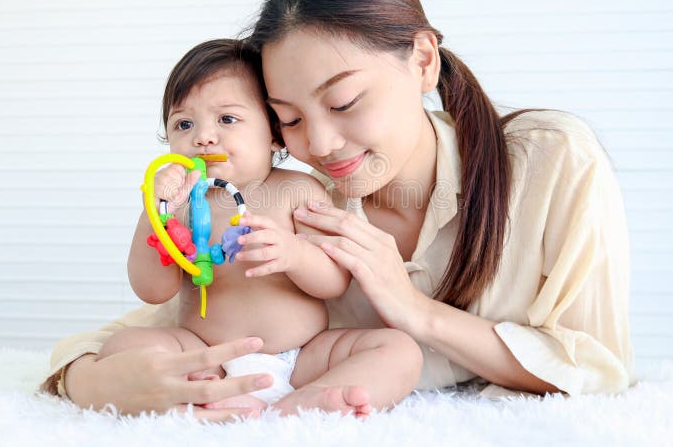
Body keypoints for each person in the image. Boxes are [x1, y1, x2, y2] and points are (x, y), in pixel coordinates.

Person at [41, 0, 634, 418]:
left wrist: (414, 311)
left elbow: (597, 367)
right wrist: (89, 379)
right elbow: (158, 322)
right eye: (291, 120)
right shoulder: (291, 195)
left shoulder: (550, 162)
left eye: (345, 101)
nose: (320, 146)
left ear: (423, 60)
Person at [74, 38, 423, 417]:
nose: (204, 137)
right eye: (184, 124)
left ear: (274, 135)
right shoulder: (182, 206)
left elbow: (336, 281)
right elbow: (152, 292)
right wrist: (154, 213)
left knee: (399, 350)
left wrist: (294, 254)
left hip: (303, 356)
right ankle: (213, 391)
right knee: (121, 347)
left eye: (227, 119)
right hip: (209, 356)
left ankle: (306, 400)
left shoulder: (296, 189)